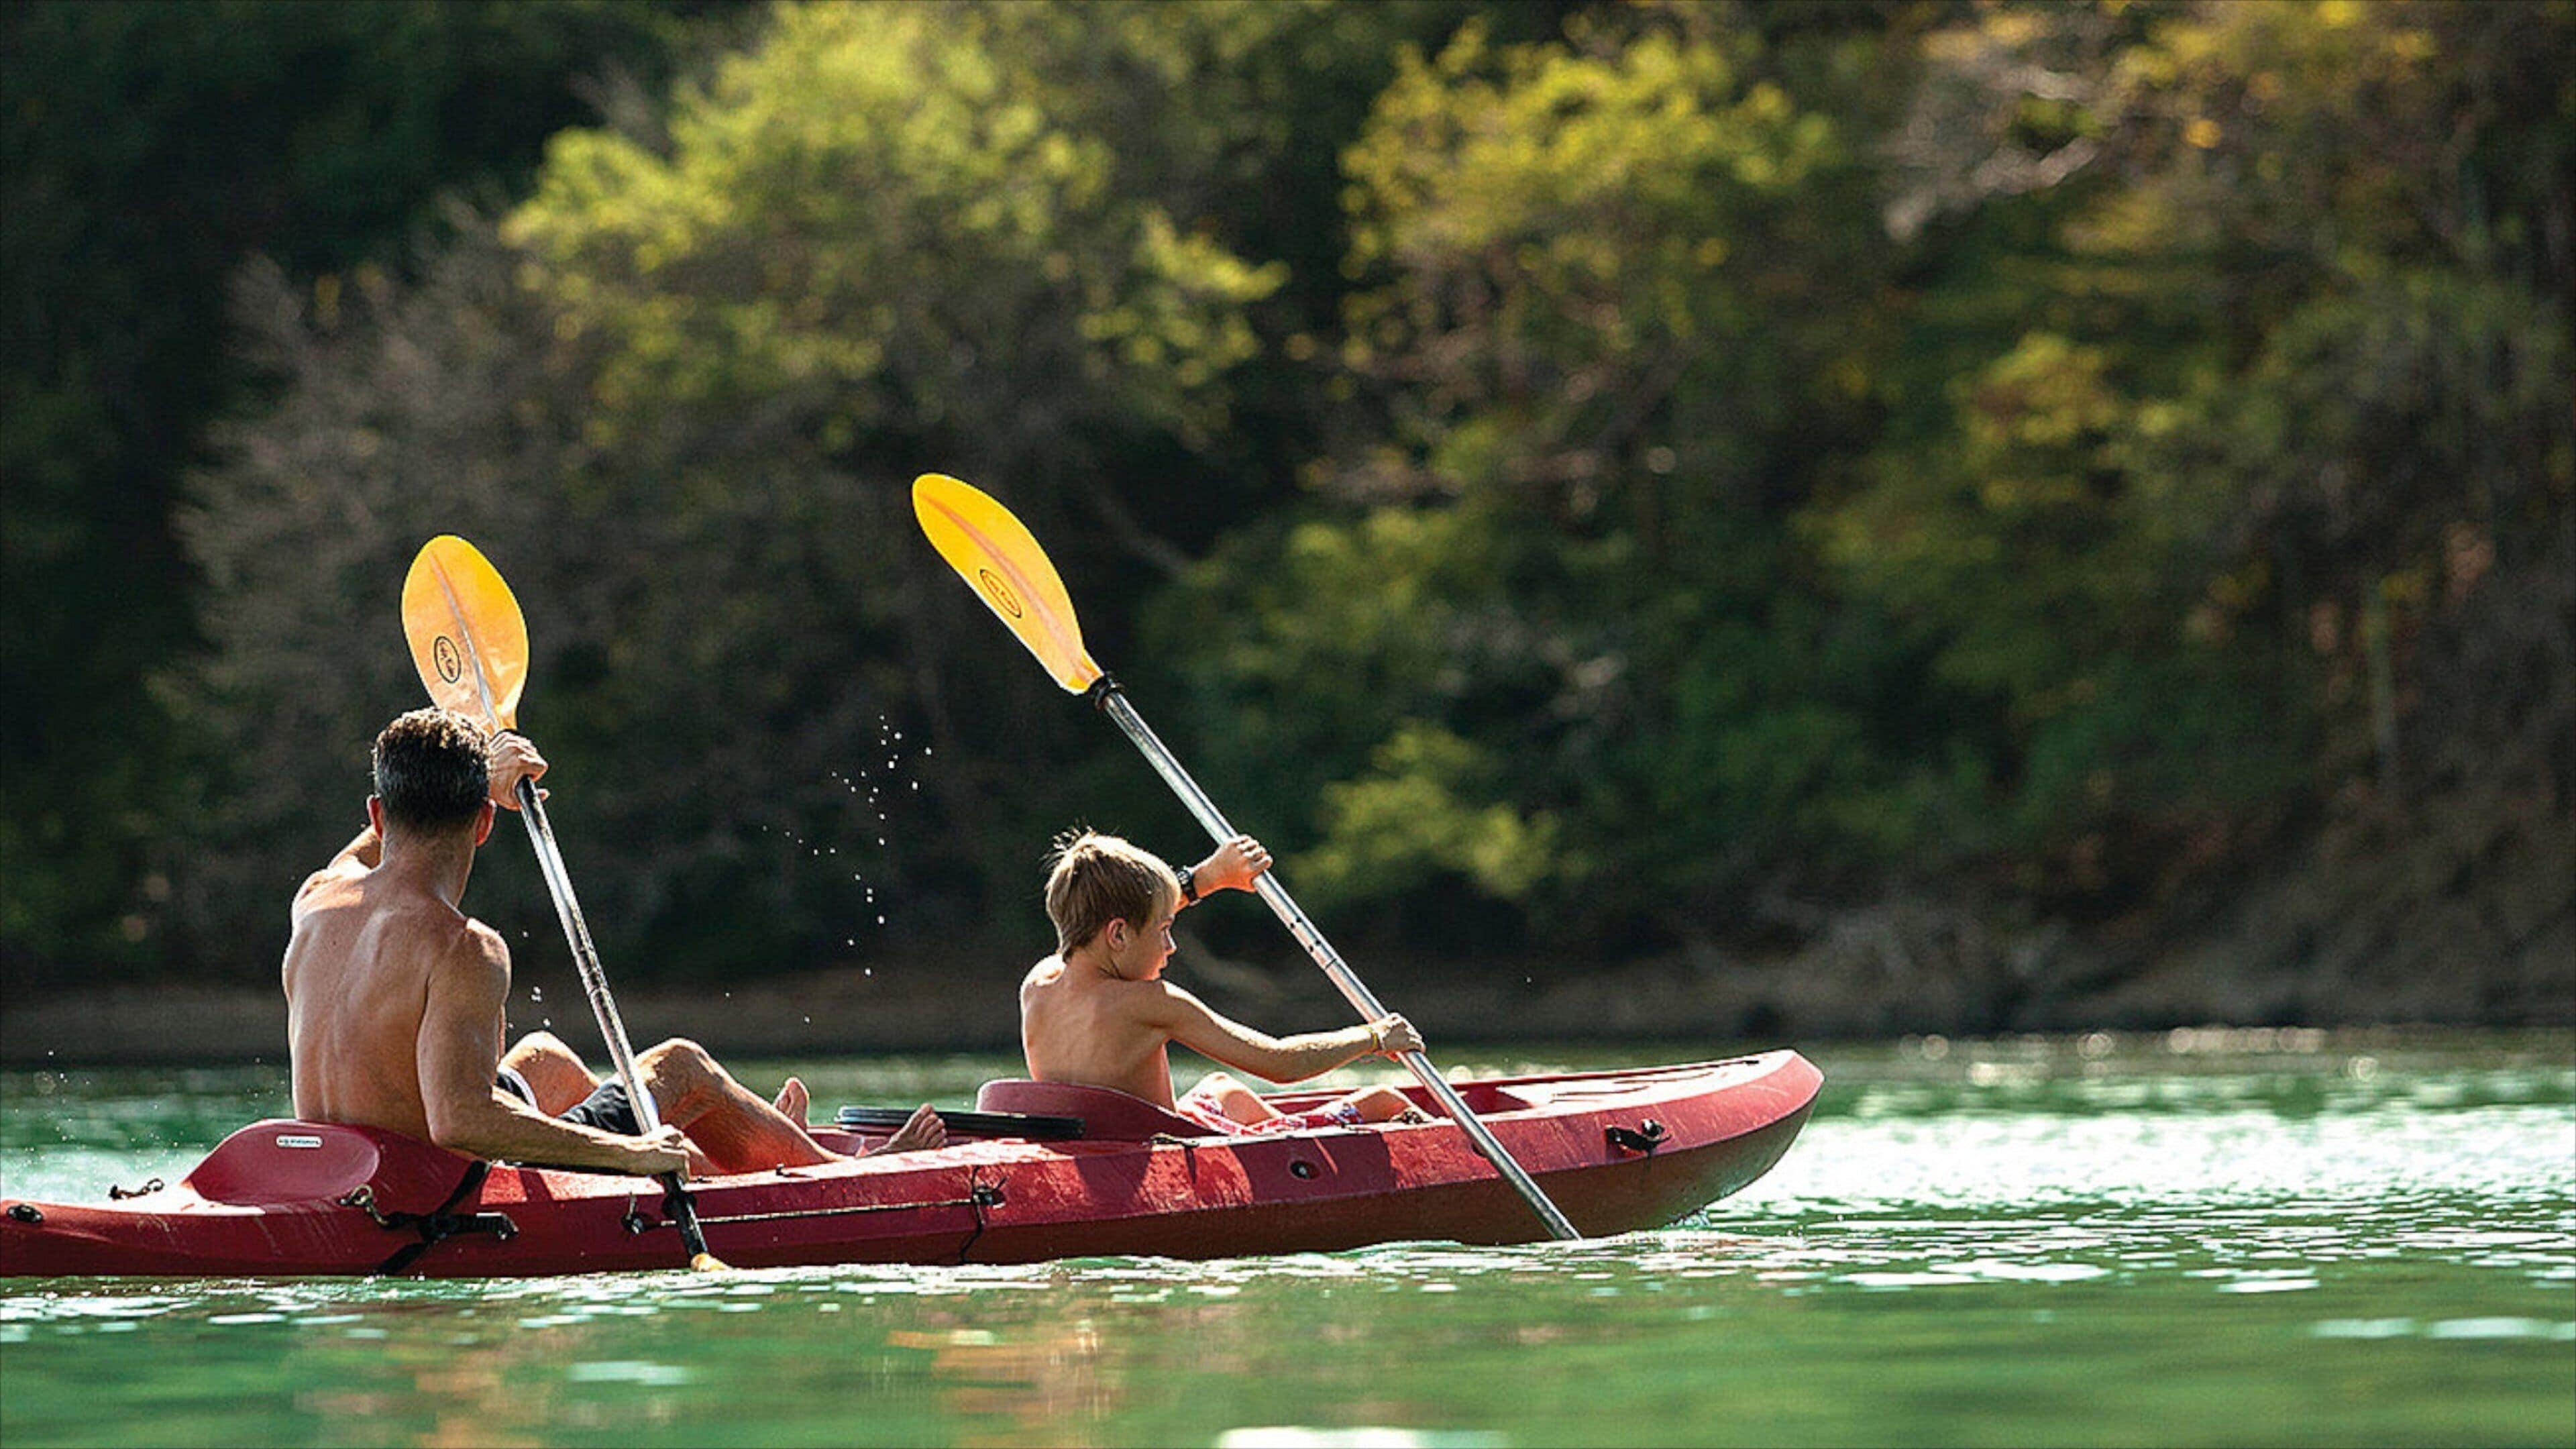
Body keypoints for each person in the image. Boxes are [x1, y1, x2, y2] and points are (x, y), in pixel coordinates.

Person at [283, 707, 943, 1177]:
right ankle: (836, 1171)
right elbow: (461, 1122)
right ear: (486, 823)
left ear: (377, 811)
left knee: (545, 1058)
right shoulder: (463, 949)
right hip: (427, 1187)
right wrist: (629, 1154)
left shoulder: (316, 898)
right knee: (680, 1065)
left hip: (335, 1171)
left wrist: (479, 768)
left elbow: (369, 847)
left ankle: (719, 1164)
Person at [1018, 829, 1430, 1134]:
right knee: (1385, 1100)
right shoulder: (1151, 1003)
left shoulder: (1039, 983)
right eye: (1163, 929)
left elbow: (1102, 926)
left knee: (1223, 1089)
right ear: (1120, 935)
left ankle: (1287, 1135)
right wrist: (1374, 1037)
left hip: (1090, 1142)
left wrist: (1206, 878)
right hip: (1163, 1148)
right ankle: (1296, 1139)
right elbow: (1279, 1063)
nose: (1171, 946)